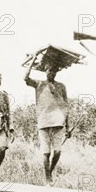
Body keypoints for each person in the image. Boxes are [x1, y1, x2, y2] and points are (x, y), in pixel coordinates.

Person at [24, 52, 71, 185]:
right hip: (43, 122)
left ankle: (50, 171)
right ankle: (47, 178)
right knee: (46, 152)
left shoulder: (61, 86)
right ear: (45, 71)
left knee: (57, 152)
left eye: (54, 71)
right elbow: (25, 77)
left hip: (58, 122)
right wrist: (33, 59)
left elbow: (66, 106)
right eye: (50, 71)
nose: (52, 73)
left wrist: (68, 126)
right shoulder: (39, 84)